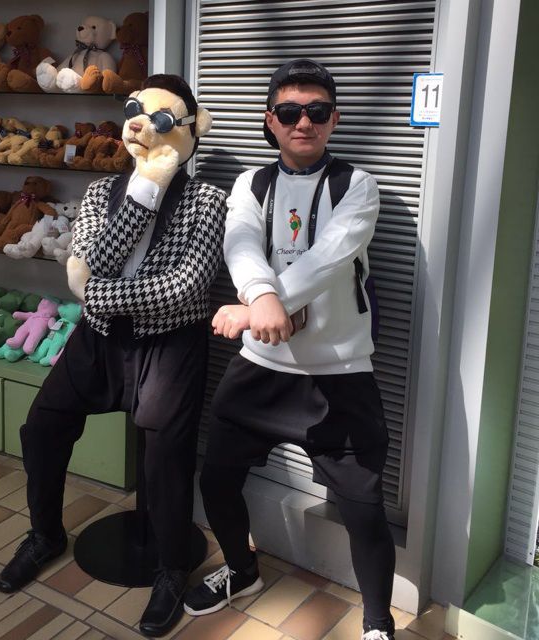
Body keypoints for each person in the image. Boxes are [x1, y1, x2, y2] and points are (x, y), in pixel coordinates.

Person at [0, 74, 227, 638]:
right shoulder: (103, 192)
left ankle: (171, 566)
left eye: (161, 118)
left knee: (165, 458)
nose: (143, 126)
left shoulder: (208, 201)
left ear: (190, 130)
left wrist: (96, 293)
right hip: (98, 339)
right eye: (135, 112)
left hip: (170, 342)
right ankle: (45, 534)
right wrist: (145, 191)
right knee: (43, 428)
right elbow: (94, 256)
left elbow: (187, 286)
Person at [183, 59, 396, 640]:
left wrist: (256, 308)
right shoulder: (251, 183)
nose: (304, 122)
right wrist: (260, 297)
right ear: (270, 120)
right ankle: (241, 569)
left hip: (339, 372)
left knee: (363, 508)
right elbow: (241, 242)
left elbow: (332, 257)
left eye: (317, 111)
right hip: (261, 367)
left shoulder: (357, 184)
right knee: (217, 478)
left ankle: (378, 623)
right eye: (290, 111)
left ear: (334, 119)